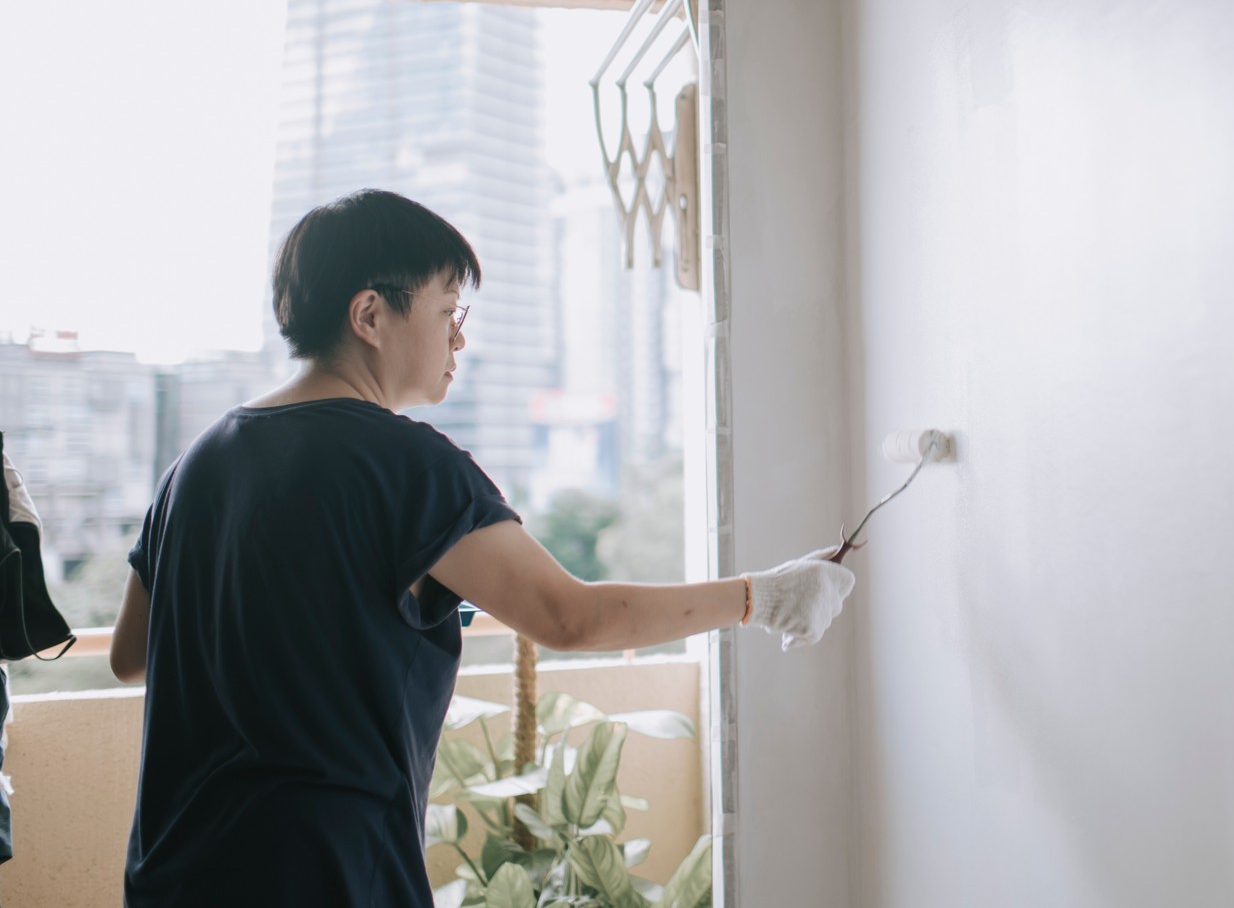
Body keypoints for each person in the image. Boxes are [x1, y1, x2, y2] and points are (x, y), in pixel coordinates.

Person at [110, 189, 854, 906]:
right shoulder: (406, 463)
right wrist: (767, 595)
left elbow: (132, 653)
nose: (459, 336)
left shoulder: (195, 465)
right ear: (370, 313)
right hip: (326, 870)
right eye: (446, 311)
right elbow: (571, 617)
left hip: (174, 867)